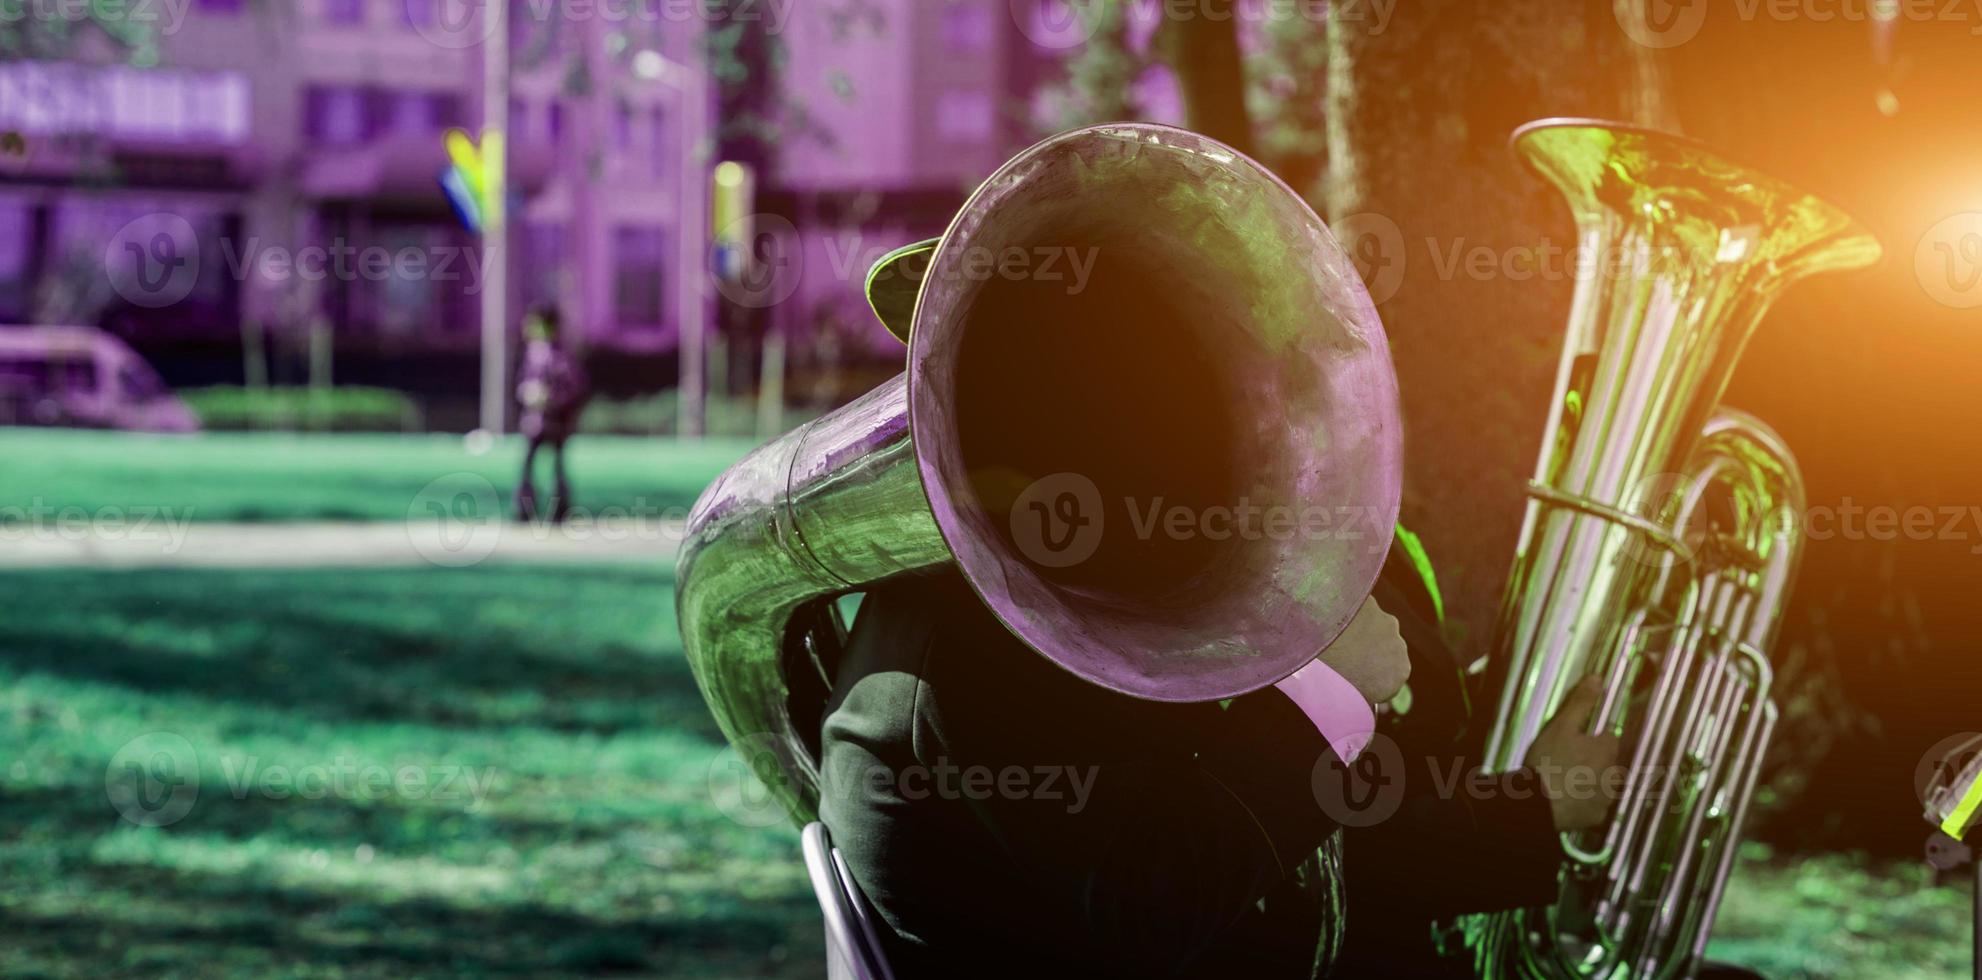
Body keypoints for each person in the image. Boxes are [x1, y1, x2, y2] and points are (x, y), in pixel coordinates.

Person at [817, 537, 1623, 979]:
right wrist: (1530, 811)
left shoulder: (1035, 604)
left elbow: (1273, 843)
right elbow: (1159, 897)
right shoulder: (992, 638)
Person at [513, 306, 589, 522]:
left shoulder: (561, 356)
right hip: (534, 421)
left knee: (557, 466)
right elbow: (523, 382)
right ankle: (524, 509)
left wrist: (552, 400)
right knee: (527, 465)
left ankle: (559, 509)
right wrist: (527, 393)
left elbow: (574, 388)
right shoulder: (532, 352)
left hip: (554, 422)